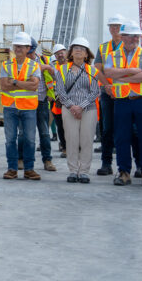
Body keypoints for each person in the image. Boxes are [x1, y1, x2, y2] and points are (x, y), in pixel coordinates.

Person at [104, 22, 142, 187]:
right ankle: (123, 172)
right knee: (121, 137)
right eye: (131, 35)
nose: (135, 38)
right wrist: (134, 71)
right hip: (122, 102)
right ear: (123, 37)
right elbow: (108, 72)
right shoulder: (113, 55)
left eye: (137, 36)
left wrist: (122, 77)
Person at [54, 38, 101, 183]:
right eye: (75, 48)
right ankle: (73, 170)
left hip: (89, 110)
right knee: (71, 140)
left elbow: (95, 92)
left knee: (86, 140)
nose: (78, 50)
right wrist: (72, 106)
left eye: (82, 48)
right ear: (71, 53)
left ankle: (84, 171)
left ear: (87, 54)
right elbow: (60, 91)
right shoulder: (62, 70)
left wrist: (81, 106)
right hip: (69, 109)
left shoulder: (93, 71)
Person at [0, 32, 41, 180]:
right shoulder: (6, 64)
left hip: (28, 107)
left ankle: (29, 169)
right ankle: (12, 169)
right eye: (16, 46)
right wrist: (25, 83)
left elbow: (34, 86)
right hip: (10, 107)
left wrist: (15, 82)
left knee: (30, 139)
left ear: (28, 48)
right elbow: (4, 86)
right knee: (10, 139)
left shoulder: (35, 65)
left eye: (21, 46)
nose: (18, 48)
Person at [94, 14, 124, 175]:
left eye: (118, 26)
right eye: (112, 26)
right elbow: (98, 68)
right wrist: (107, 85)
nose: (115, 29)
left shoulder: (129, 46)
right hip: (107, 92)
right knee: (107, 129)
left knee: (126, 129)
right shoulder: (103, 47)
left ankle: (125, 165)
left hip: (125, 92)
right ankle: (106, 163)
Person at [28, 40, 57, 172]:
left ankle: (47, 160)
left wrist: (49, 69)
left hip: (42, 101)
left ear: (34, 50)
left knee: (44, 132)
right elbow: (25, 71)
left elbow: (55, 75)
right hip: (26, 101)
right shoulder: (21, 61)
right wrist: (43, 67)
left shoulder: (45, 59)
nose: (28, 55)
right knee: (25, 134)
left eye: (30, 52)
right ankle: (23, 159)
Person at [45, 44, 68, 157]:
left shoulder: (73, 65)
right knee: (60, 124)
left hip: (71, 101)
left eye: (61, 52)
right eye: (57, 53)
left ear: (66, 52)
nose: (60, 54)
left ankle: (75, 147)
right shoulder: (53, 67)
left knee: (72, 126)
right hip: (57, 101)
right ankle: (64, 147)